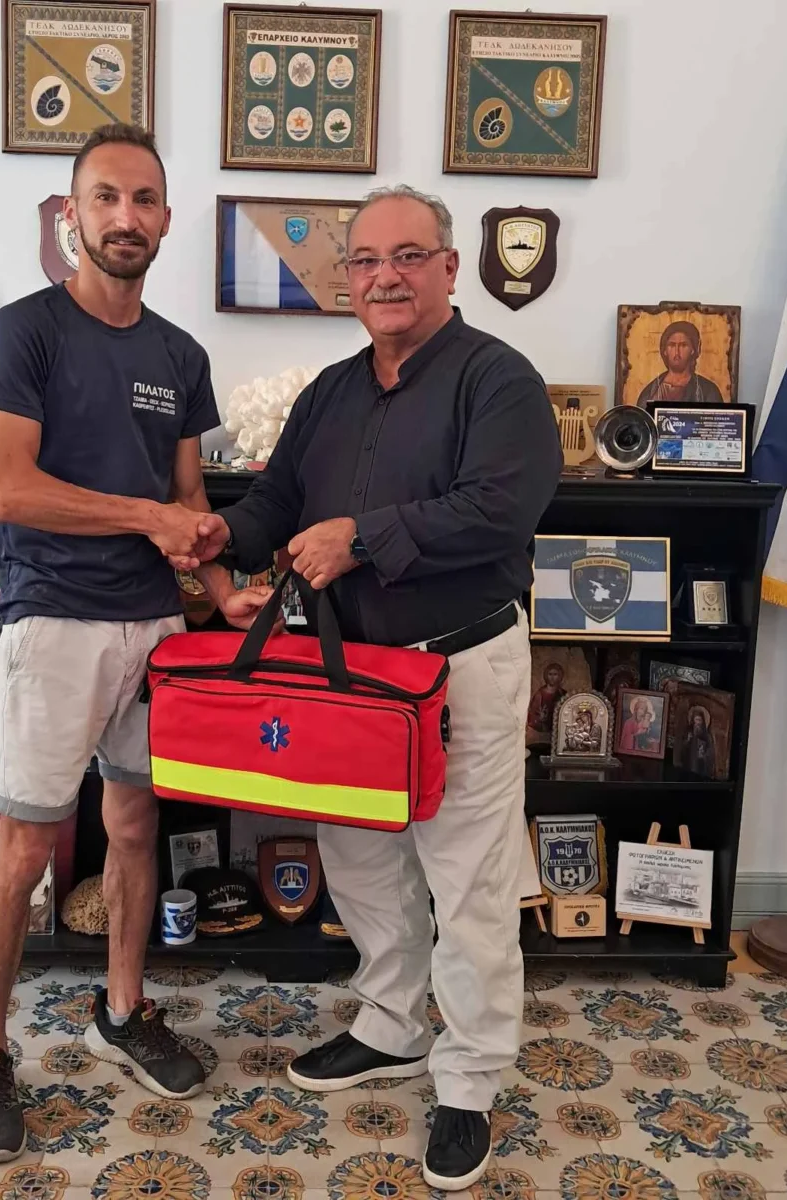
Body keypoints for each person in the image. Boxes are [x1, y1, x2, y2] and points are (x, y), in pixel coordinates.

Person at [190, 185, 561, 1190]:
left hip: (459, 667)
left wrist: (361, 539)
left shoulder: (499, 379)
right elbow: (277, 500)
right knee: (358, 859)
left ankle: (470, 1080)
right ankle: (393, 1024)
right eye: (365, 260)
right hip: (350, 674)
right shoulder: (330, 391)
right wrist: (225, 535)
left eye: (407, 256)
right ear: (346, 278)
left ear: (449, 267)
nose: (385, 276)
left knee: (468, 880)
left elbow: (500, 509)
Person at [0, 123, 272, 1164]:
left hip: (154, 629)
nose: (124, 217)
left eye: (142, 200)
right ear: (72, 215)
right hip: (53, 622)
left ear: (165, 219)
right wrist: (149, 520)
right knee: (23, 850)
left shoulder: (180, 355)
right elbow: (10, 490)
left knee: (134, 826)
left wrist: (219, 591)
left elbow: (187, 496)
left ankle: (123, 1008)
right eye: (105, 198)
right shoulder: (25, 333)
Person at [635, 320, 724, 404]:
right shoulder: (651, 391)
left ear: (693, 350)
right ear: (665, 350)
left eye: (683, 345)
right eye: (672, 345)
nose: (677, 352)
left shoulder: (708, 391)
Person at [526, 661, 566, 736]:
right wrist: (540, 718)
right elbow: (532, 715)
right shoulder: (539, 694)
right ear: (546, 675)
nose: (552, 677)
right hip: (542, 732)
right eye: (550, 674)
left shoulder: (563, 694)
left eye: (555, 674)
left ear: (560, 676)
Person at [678, 704, 716, 776]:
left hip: (700, 766)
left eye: (699, 720)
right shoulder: (688, 731)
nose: (698, 723)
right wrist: (687, 740)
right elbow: (682, 748)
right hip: (688, 764)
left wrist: (703, 754)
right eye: (696, 720)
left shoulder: (707, 735)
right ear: (693, 720)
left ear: (703, 721)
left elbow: (710, 752)